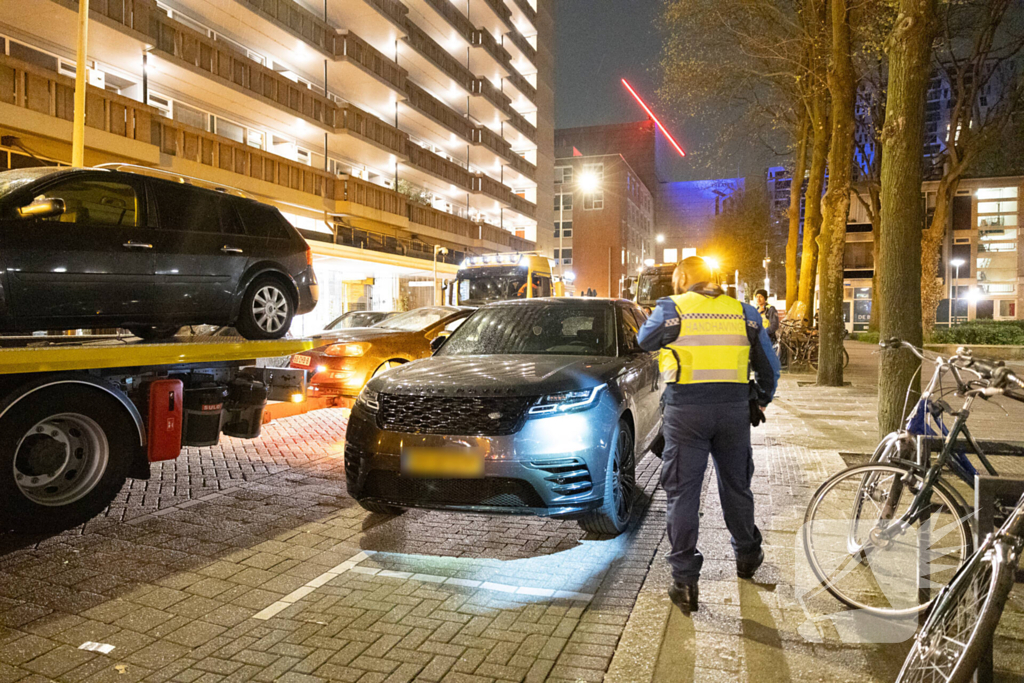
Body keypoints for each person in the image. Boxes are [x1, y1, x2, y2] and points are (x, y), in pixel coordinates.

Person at [637, 256, 780, 615]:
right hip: (733, 412)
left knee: (682, 493)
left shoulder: (672, 308)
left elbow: (644, 339)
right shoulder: (745, 312)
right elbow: (769, 365)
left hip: (686, 413)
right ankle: (747, 556)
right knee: (736, 486)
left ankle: (685, 582)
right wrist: (760, 399)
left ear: (683, 277)